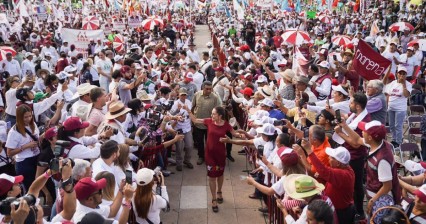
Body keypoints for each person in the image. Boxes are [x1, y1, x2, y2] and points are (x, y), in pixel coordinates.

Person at [337, 120, 401, 220]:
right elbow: (357, 139)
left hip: (382, 200)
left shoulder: (382, 160)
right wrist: (344, 126)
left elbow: (387, 186)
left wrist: (373, 201)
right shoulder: (377, 143)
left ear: (370, 138)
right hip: (375, 195)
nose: (361, 132)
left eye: (364, 131)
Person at [187, 106, 241, 212]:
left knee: (220, 174)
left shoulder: (226, 125)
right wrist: (188, 111)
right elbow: (195, 120)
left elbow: (235, 134)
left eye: (213, 114)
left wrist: (243, 135)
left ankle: (219, 191)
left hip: (220, 155)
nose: (211, 115)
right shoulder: (209, 121)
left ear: (220, 115)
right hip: (210, 155)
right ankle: (214, 199)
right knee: (212, 176)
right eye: (211, 114)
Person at [294, 143, 355, 223]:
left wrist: (309, 151)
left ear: (338, 163)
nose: (329, 158)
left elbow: (323, 170)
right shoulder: (344, 170)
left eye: (331, 157)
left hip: (341, 213)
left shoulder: (343, 174)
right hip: (339, 209)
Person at [5, 104, 40, 190]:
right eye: (25, 117)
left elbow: (37, 138)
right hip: (24, 162)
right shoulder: (14, 132)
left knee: (40, 184)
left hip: (37, 157)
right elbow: (9, 152)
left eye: (30, 116)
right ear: (19, 117)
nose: (29, 119)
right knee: (30, 188)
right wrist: (25, 146)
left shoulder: (33, 124)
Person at [191, 81, 222, 165]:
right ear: (203, 88)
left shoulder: (215, 97)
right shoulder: (197, 95)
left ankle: (209, 157)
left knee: (210, 142)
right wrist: (192, 119)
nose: (209, 91)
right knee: (199, 142)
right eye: (207, 89)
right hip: (198, 124)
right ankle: (201, 156)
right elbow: (193, 107)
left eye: (210, 89)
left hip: (210, 125)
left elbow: (219, 109)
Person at [384, 65, 412, 147]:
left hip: (400, 109)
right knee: (392, 125)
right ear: (397, 74)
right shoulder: (393, 83)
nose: (402, 75)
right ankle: (394, 139)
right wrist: (387, 105)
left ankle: (399, 142)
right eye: (400, 73)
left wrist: (403, 85)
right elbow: (388, 94)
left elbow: (406, 95)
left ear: (406, 75)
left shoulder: (408, 84)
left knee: (398, 126)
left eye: (404, 73)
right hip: (391, 108)